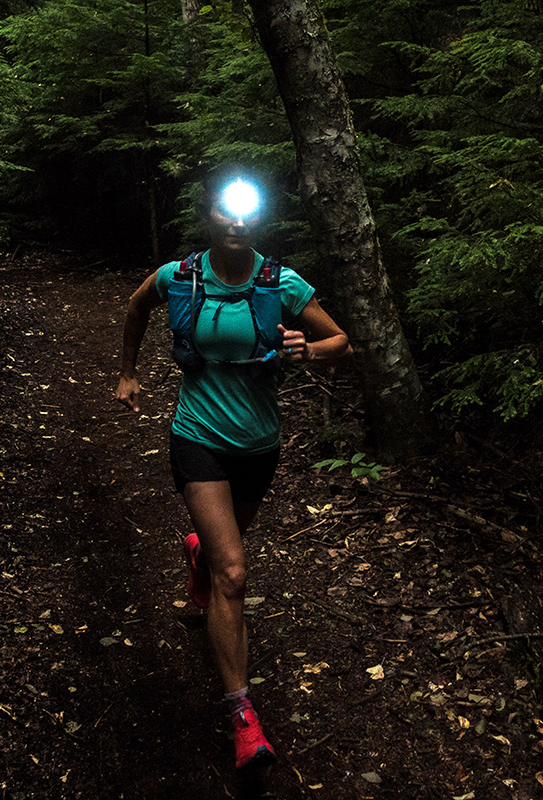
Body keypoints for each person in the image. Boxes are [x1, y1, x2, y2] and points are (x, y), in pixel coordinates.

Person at [115, 165, 351, 770]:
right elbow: (136, 309)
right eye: (226, 210)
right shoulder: (179, 277)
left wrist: (308, 347)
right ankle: (242, 715)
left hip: (260, 443)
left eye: (248, 211)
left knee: (223, 553)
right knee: (236, 573)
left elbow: (340, 342)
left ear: (258, 220)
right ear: (209, 217)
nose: (237, 221)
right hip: (196, 436)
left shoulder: (283, 282)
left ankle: (198, 554)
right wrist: (128, 371)